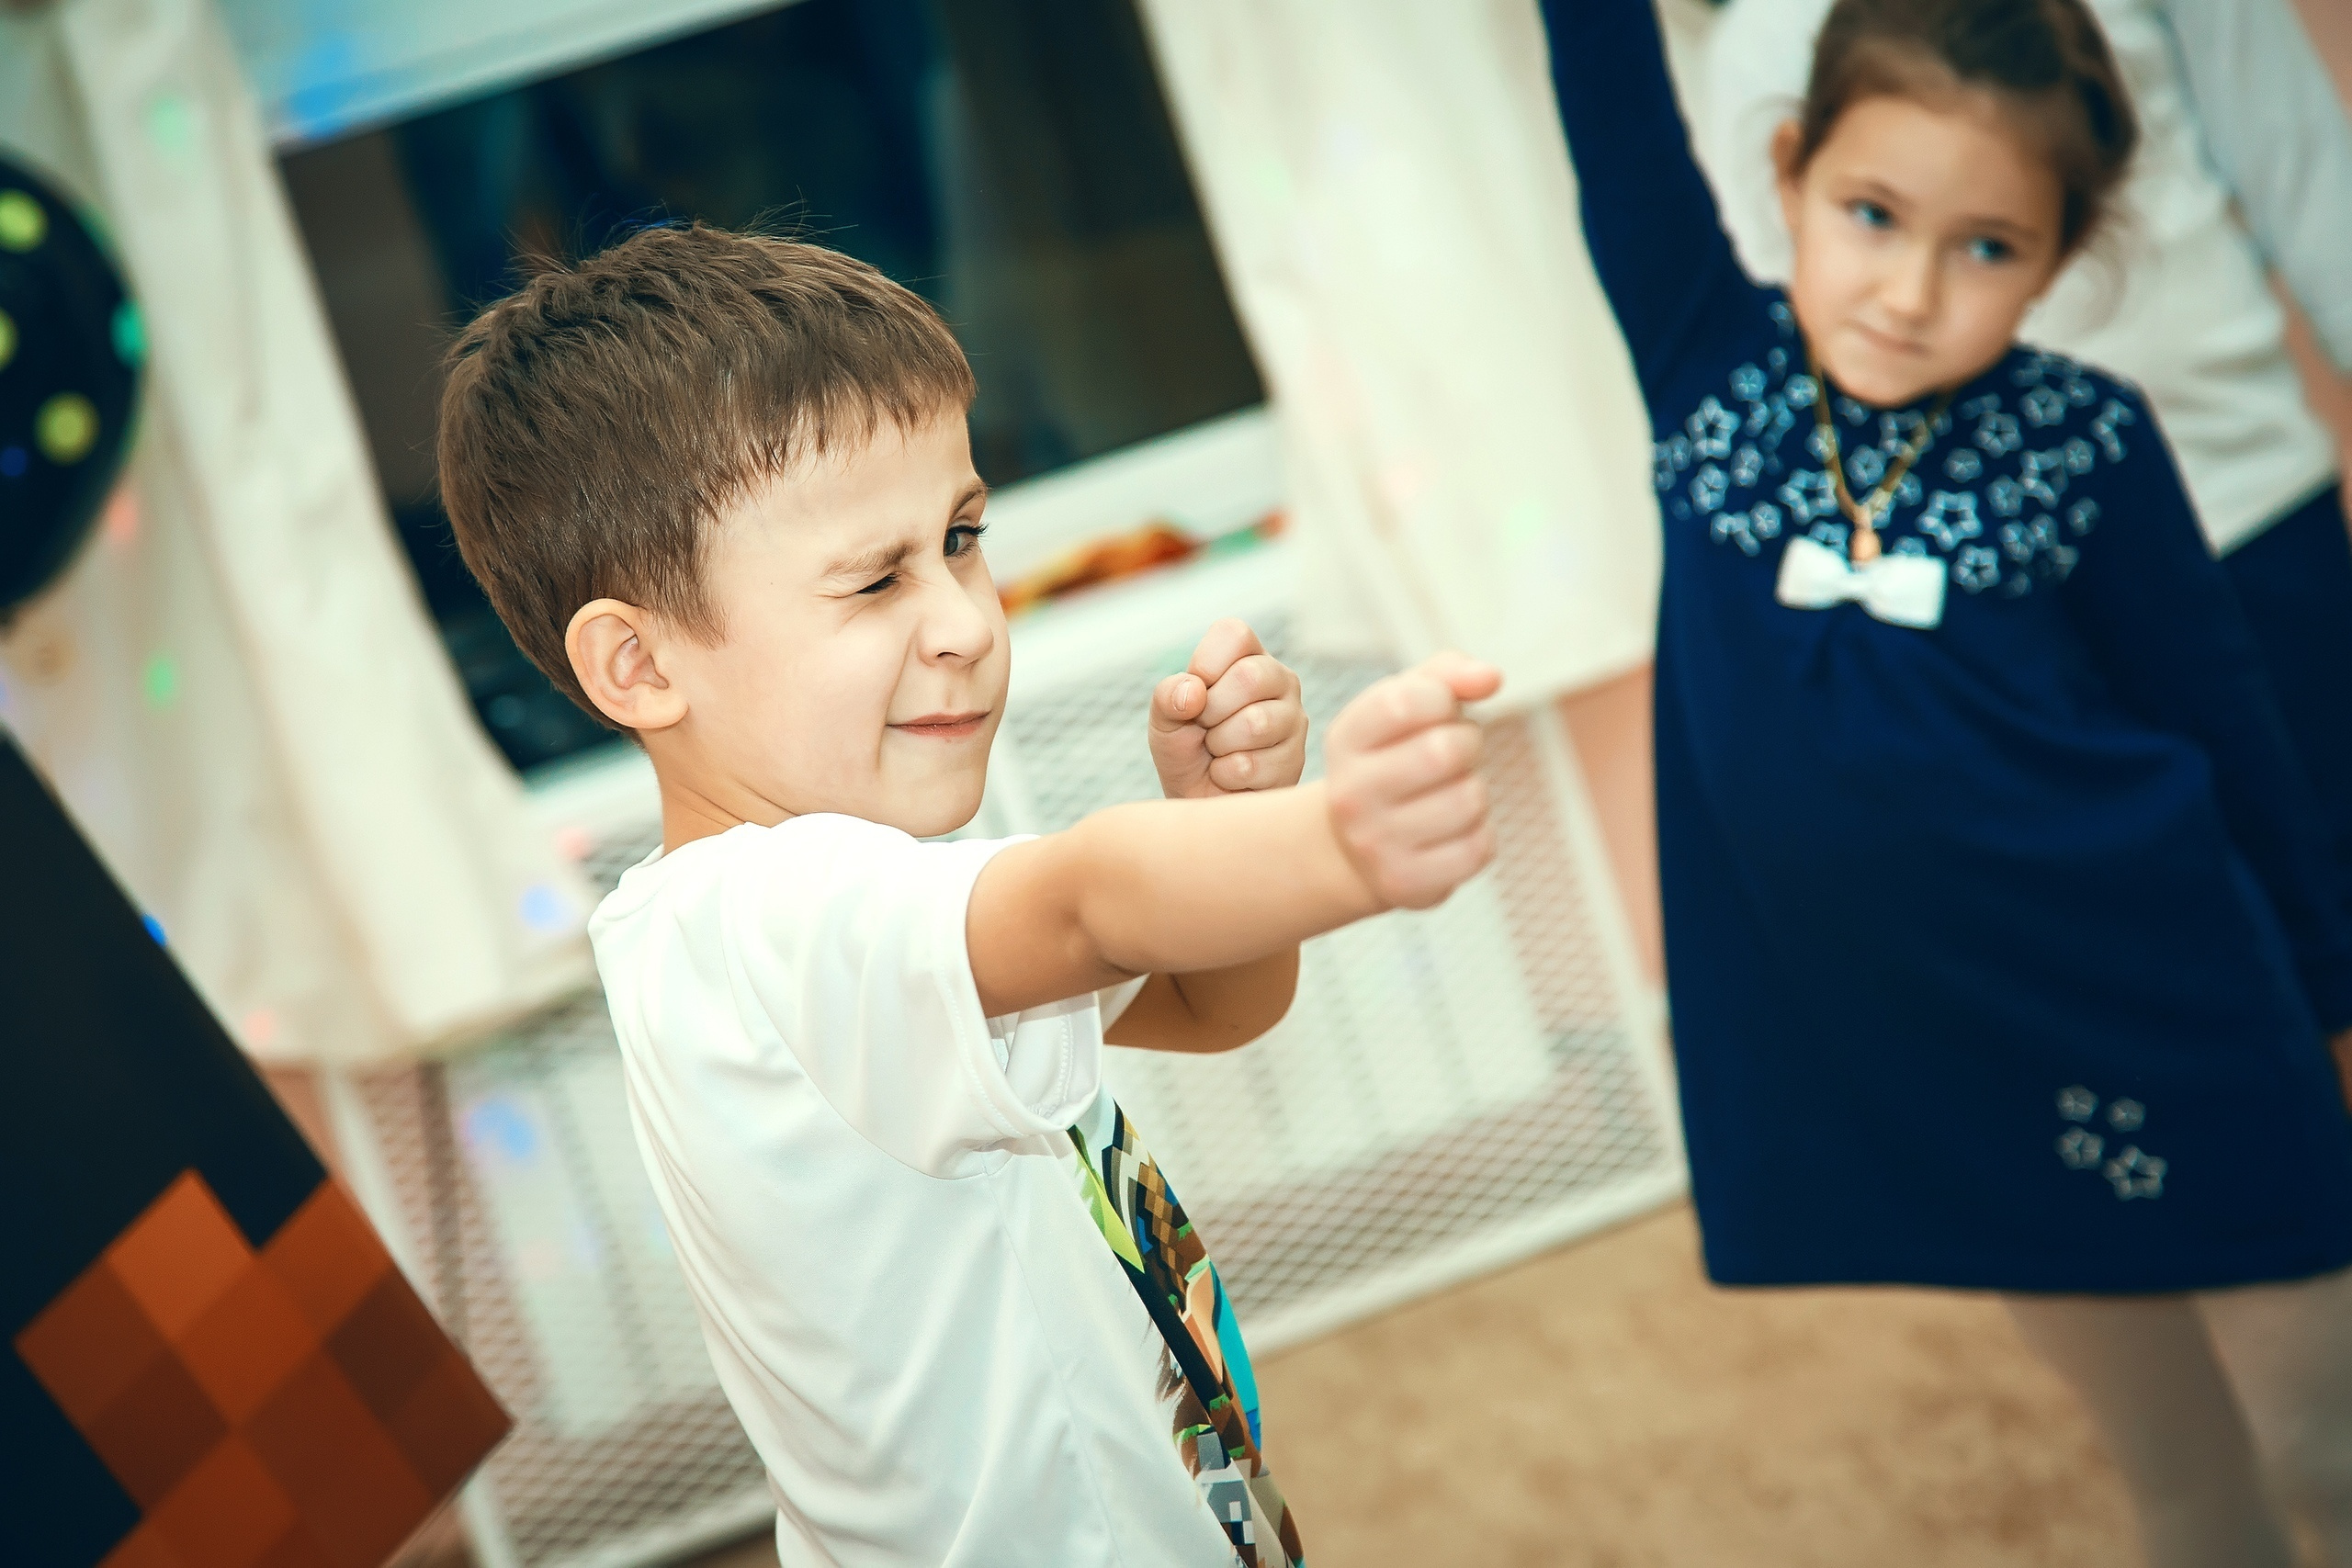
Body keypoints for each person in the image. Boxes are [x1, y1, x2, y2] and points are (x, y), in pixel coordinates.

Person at [433, 222, 1500, 1568]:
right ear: (639, 666)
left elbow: (1209, 1004)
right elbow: (1094, 900)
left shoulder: (858, 908)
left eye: (961, 537)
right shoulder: (766, 920)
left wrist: (1232, 830)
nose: (963, 618)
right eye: (876, 577)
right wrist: (1338, 839)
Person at [1537, 1, 2352, 1562]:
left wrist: (2321, 1009)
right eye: (1870, 217)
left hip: (2183, 1014)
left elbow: (2232, 735)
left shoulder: (2092, 441)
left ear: (2059, 261)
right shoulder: (1710, 371)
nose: (1910, 292)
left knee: (2328, 1441)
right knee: (2177, 1472)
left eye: (1987, 248)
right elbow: (1612, 112)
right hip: (1964, 1064)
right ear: (1788, 176)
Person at [1690, 0, 2352, 942]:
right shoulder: (1760, 39)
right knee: (2136, 945)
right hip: (1988, 608)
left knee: (2328, 884)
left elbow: (2296, 153)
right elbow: (1798, 334)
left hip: (2242, 508)